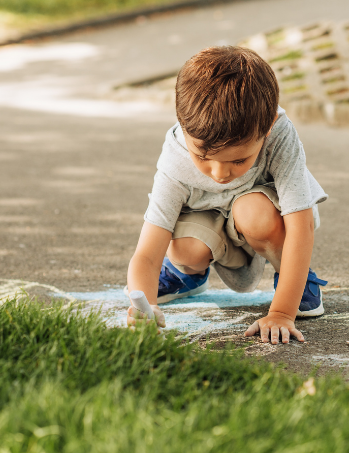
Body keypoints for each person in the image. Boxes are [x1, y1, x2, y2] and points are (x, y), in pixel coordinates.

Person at [126, 45, 328, 345]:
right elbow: (147, 250)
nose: (220, 174)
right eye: (204, 157)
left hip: (263, 218)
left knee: (254, 213)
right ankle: (187, 274)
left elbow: (301, 226)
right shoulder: (176, 155)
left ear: (268, 126)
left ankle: (294, 279)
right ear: (182, 125)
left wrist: (282, 313)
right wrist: (142, 305)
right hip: (211, 220)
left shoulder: (279, 133)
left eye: (238, 161)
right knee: (183, 249)